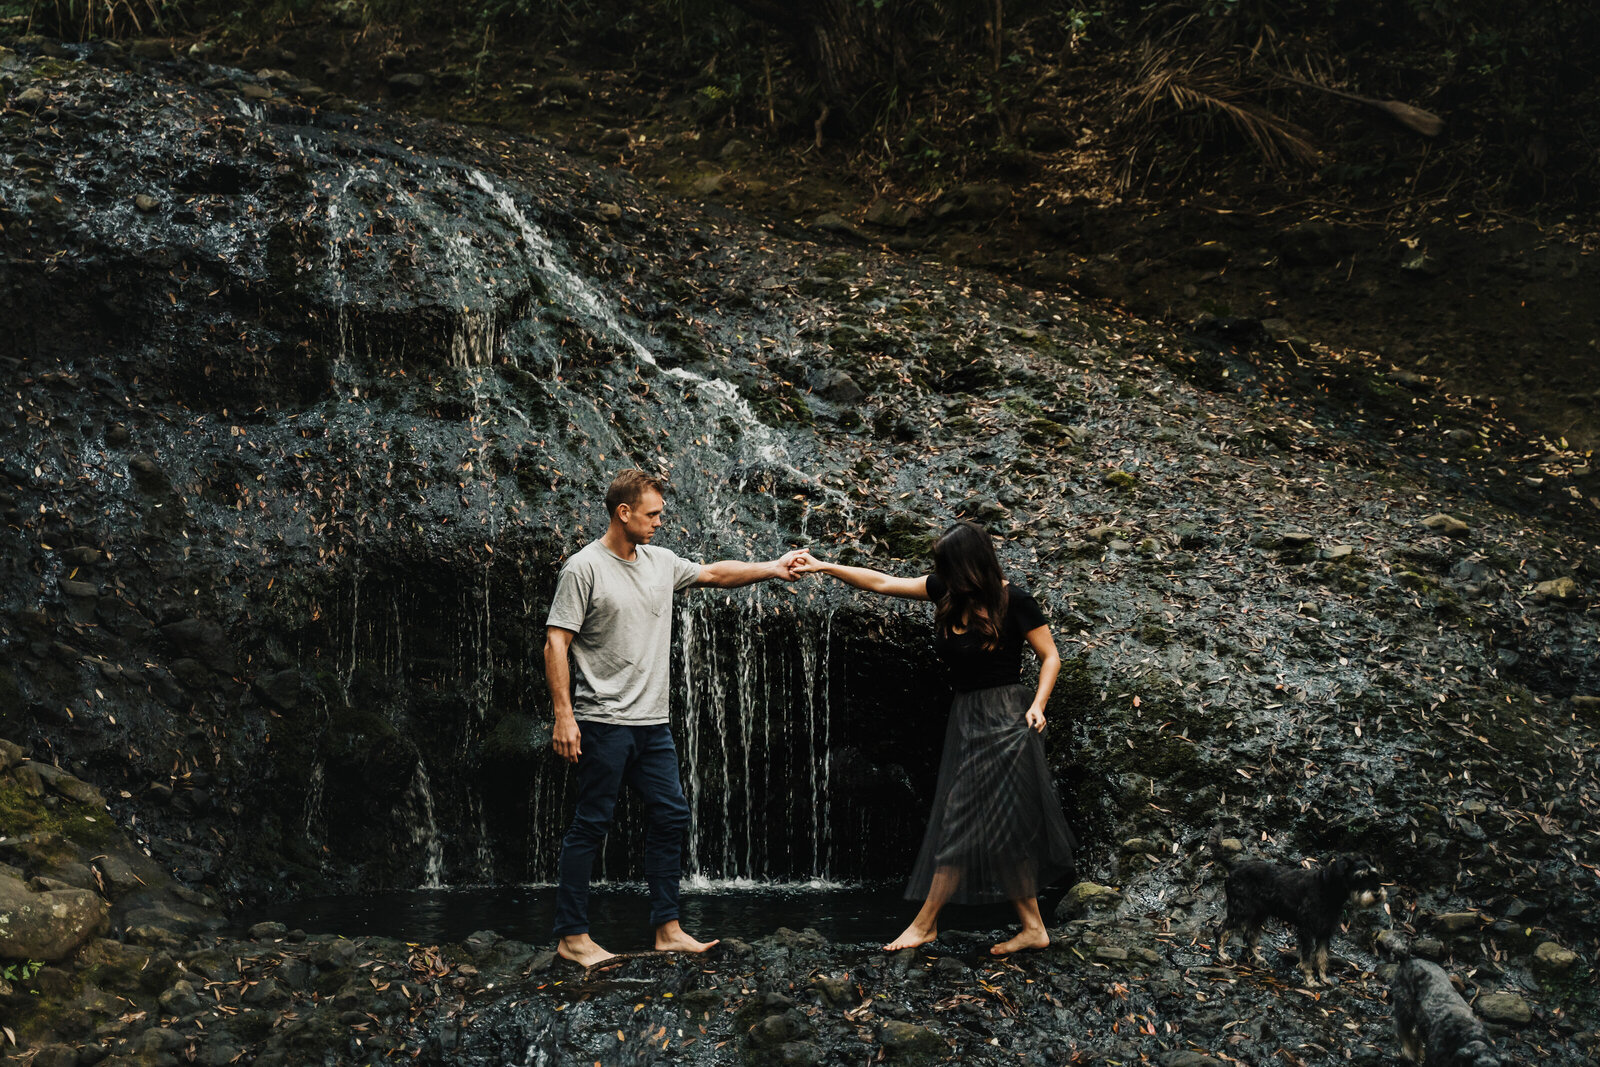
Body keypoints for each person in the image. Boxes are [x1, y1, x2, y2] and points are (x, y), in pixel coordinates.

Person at [544, 468, 803, 967]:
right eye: (653, 514)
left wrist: (773, 567)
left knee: (671, 814)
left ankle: (667, 928)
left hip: (652, 725)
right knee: (592, 825)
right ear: (624, 513)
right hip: (603, 721)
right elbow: (557, 640)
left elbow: (713, 574)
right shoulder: (584, 568)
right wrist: (564, 716)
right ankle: (572, 936)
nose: (660, 522)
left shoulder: (660, 562)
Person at [793, 521, 1075, 955]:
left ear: (970, 565)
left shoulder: (1013, 600)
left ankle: (925, 924)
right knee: (1001, 826)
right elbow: (882, 583)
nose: (940, 574)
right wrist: (823, 566)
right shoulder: (947, 591)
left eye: (946, 566)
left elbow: (1050, 656)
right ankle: (1034, 928)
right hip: (968, 717)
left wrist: (1038, 705)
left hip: (1006, 720)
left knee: (959, 820)